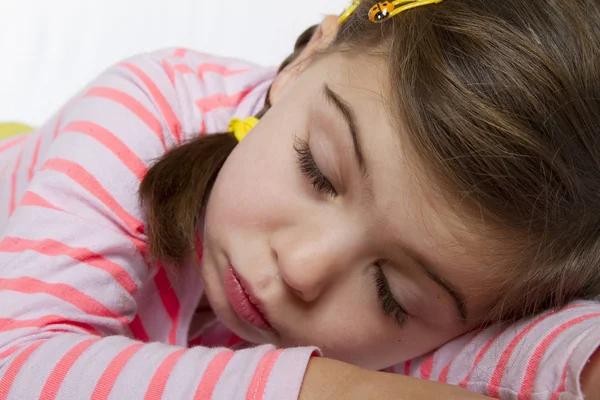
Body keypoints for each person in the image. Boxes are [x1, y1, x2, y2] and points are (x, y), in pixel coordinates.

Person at [0, 0, 599, 398]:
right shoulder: (147, 109)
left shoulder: (460, 302)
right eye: (317, 172)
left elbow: (548, 352)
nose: (303, 267)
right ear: (309, 56)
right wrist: (336, 388)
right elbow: (16, 366)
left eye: (393, 295)